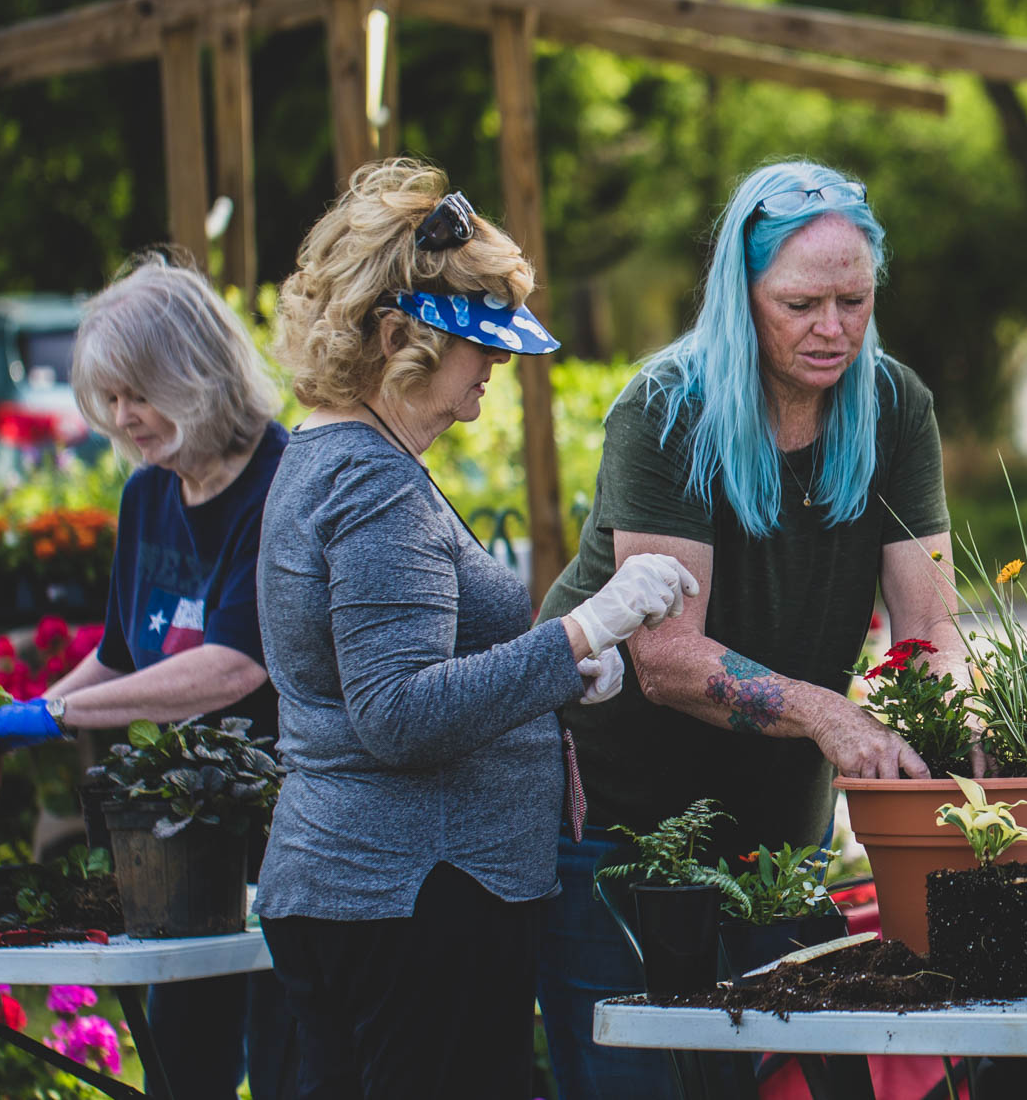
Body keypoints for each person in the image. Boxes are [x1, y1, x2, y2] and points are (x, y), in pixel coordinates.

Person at [254, 158, 698, 1100]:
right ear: (396, 335)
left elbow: (395, 671)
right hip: (416, 900)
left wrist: (558, 676)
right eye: (479, 345)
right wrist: (586, 630)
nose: (498, 363)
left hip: (367, 889)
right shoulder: (375, 487)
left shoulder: (330, 456)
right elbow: (399, 712)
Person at [534, 160, 971, 1099]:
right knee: (636, 1081)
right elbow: (665, 656)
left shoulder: (894, 408)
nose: (832, 328)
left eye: (853, 300)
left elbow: (928, 624)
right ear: (744, 293)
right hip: (617, 814)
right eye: (800, 303)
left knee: (766, 1082)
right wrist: (830, 714)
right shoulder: (668, 410)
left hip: (776, 827)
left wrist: (960, 737)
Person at [0, 253, 293, 1099]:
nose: (123, 417)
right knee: (185, 1066)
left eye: (139, 394)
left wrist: (60, 712)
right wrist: (22, 708)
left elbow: (234, 664)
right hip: (182, 844)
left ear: (198, 375)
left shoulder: (282, 479)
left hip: (289, 832)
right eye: (109, 399)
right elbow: (121, 652)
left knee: (294, 1065)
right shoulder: (149, 493)